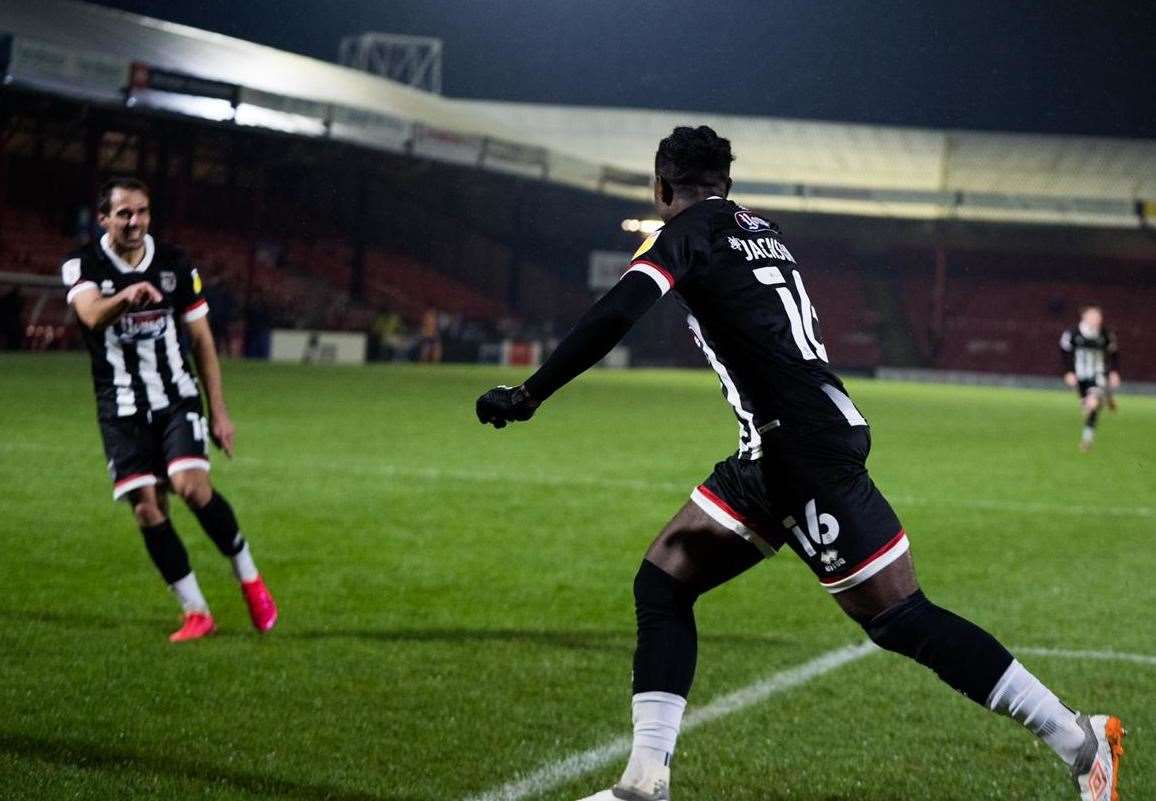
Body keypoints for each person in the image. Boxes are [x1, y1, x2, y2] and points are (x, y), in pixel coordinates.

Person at [476, 127, 1123, 801]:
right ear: (726, 183)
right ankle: (644, 782)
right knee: (664, 580)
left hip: (798, 448)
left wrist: (529, 393)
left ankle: (1080, 742)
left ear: (661, 188)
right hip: (781, 446)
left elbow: (619, 310)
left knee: (899, 615)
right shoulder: (766, 230)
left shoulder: (685, 232)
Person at [62, 177, 278, 642]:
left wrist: (219, 412)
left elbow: (201, 339)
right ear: (104, 219)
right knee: (146, 507)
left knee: (191, 486)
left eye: (141, 212)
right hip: (119, 405)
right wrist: (126, 296)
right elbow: (90, 315)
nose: (134, 221)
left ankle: (249, 577)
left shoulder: (176, 264)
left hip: (176, 396)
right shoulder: (83, 264)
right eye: (123, 213)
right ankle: (196, 610)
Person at [1060, 305, 1121, 452]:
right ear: (1084, 317)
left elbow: (1114, 354)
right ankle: (1087, 438)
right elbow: (1065, 353)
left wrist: (1114, 371)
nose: (1096, 319)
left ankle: (1086, 440)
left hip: (1098, 373)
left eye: (1098, 317)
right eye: (1093, 316)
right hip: (1081, 376)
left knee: (1092, 403)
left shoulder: (1105, 334)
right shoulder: (1073, 333)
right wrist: (1068, 372)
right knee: (1092, 407)